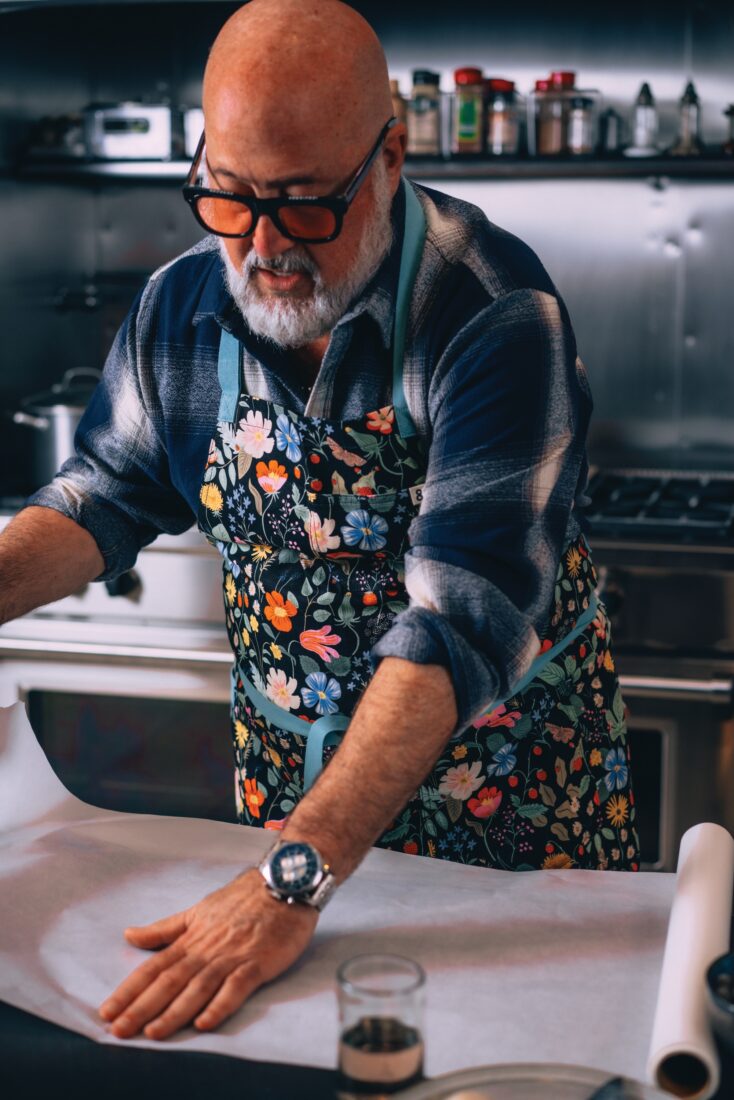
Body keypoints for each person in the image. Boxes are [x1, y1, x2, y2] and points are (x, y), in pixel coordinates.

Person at [0, 0, 639, 1042]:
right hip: (291, 812)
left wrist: (290, 880)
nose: (261, 247)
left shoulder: (490, 315)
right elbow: (107, 490)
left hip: (508, 811)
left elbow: (457, 621)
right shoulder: (180, 306)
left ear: (387, 153)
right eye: (228, 196)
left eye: (302, 204)